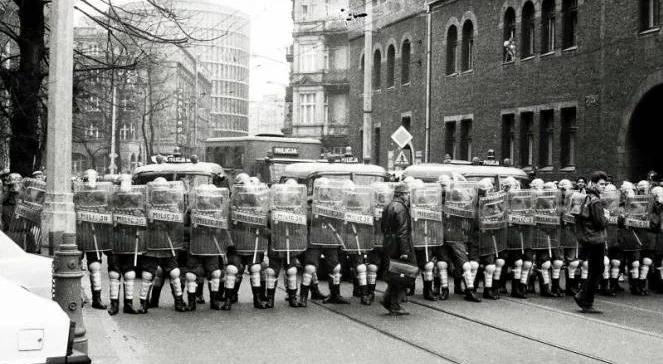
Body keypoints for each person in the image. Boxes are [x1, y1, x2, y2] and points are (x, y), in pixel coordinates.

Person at [573, 171, 609, 314]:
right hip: (596, 239)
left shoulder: (587, 197)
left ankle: (584, 296)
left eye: (605, 184)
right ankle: (585, 298)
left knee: (595, 269)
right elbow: (600, 223)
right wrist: (606, 216)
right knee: (597, 269)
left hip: (588, 237)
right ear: (593, 184)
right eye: (601, 184)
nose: (604, 187)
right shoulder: (595, 200)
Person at [380, 182, 416, 315]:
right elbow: (403, 231)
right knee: (401, 274)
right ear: (402, 194)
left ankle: (388, 300)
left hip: (389, 243)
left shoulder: (388, 206)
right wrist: (405, 251)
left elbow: (383, 227)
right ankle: (393, 304)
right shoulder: (401, 208)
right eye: (407, 193)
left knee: (394, 273)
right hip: (398, 245)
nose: (408, 196)